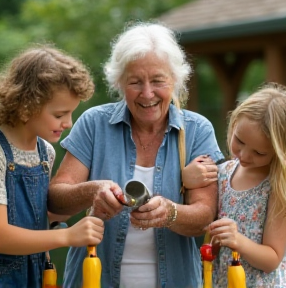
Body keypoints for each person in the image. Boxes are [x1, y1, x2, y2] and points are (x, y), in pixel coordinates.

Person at [48, 22, 224, 288]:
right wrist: (93, 190)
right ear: (119, 82)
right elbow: (56, 201)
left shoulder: (197, 129)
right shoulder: (94, 123)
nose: (147, 93)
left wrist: (170, 213)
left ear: (175, 80)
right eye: (135, 82)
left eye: (157, 81)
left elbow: (204, 217)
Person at [0, 45, 105, 288]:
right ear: (27, 106)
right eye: (60, 115)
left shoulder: (44, 151)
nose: (69, 123)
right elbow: (0, 235)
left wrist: (93, 200)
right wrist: (67, 236)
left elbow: (38, 216)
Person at [204, 83, 286, 287]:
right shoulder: (222, 173)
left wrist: (237, 241)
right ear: (233, 124)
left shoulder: (278, 186)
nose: (244, 155)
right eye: (239, 141)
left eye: (259, 153)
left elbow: (272, 259)